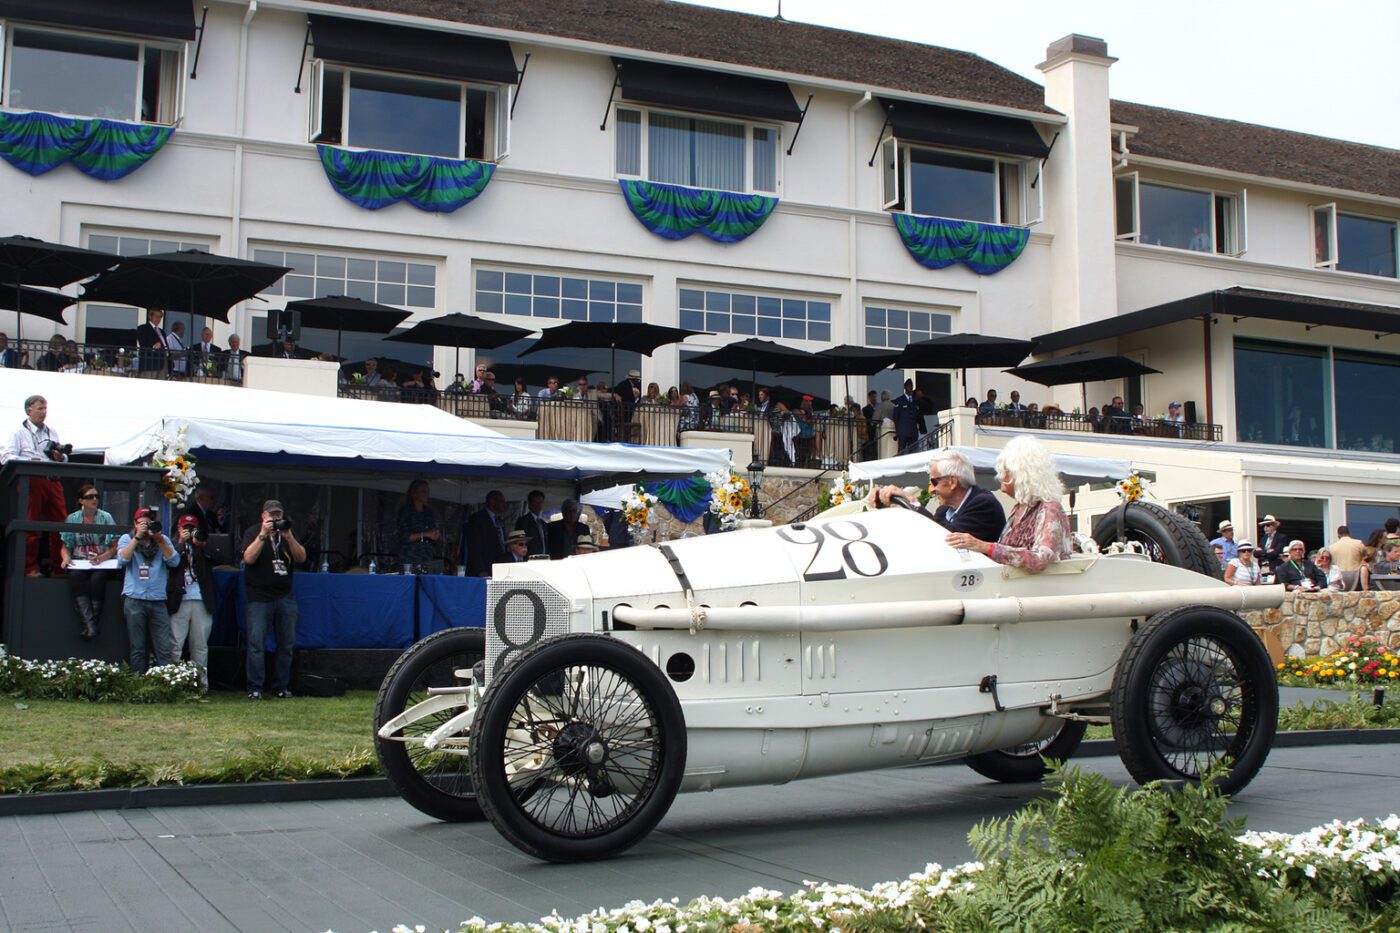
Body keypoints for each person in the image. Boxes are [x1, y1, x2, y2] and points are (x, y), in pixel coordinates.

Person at [942, 436, 1069, 572]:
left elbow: (1040, 559)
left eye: (1005, 471)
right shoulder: (1019, 508)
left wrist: (985, 547)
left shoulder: (1049, 508)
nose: (1000, 476)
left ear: (1021, 474)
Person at [240, 499, 306, 699]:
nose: (275, 518)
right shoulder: (253, 532)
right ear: (263, 516)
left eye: (278, 515)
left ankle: (281, 686)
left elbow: (302, 557)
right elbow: (248, 558)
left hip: (284, 595)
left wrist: (289, 536)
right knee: (256, 644)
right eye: (271, 515)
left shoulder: (286, 533)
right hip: (259, 596)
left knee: (286, 643)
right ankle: (255, 688)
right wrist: (263, 534)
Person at [1, 394, 70, 576]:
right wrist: (29, 460)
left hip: (52, 479)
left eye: (45, 408)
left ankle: (58, 567)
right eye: (40, 408)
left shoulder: (51, 432)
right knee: (29, 523)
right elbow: (6, 456)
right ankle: (29, 567)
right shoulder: (18, 432)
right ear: (29, 410)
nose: (43, 412)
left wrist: (60, 457)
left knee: (61, 525)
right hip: (31, 478)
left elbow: (63, 459)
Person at [117, 506, 179, 673]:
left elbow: (174, 561)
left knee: (163, 648)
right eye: (142, 523)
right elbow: (122, 560)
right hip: (134, 598)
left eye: (148, 523)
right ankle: (138, 686)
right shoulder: (127, 538)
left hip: (157, 599)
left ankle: (164, 684)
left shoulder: (162, 538)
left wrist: (159, 540)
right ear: (135, 523)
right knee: (137, 647)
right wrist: (137, 537)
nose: (146, 527)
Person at [59, 484, 119, 640]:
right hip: (80, 560)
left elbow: (115, 546)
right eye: (90, 497)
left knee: (98, 578)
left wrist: (103, 557)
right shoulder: (73, 519)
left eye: (96, 496)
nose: (94, 499)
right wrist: (66, 557)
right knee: (75, 576)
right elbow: (65, 546)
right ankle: (90, 624)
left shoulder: (106, 517)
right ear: (81, 500)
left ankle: (90, 625)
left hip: (101, 561)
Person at [167, 513, 217, 690]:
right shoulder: (172, 545)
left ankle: (200, 685)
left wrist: (199, 546)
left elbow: (218, 558)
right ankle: (172, 684)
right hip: (179, 599)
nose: (188, 531)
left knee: (200, 645)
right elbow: (171, 562)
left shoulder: (202, 545)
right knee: (175, 644)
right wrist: (181, 543)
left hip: (201, 599)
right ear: (179, 529)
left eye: (191, 528)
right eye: (185, 528)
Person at [925, 449, 1007, 543]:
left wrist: (915, 507)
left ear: (952, 482)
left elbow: (947, 538)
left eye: (934, 483)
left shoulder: (984, 504)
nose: (931, 490)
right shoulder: (943, 510)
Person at [397, 479, 440, 570]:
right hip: (410, 558)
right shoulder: (406, 511)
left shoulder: (429, 513)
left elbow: (433, 535)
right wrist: (425, 534)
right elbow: (404, 537)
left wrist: (435, 535)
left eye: (427, 491)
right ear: (414, 493)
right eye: (423, 491)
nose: (426, 494)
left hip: (426, 558)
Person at [465, 489, 509, 576]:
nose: (504, 504)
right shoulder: (478, 519)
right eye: (501, 501)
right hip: (482, 569)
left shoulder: (499, 520)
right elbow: (474, 546)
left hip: (497, 568)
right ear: (492, 501)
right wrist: (480, 570)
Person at [514, 489, 551, 557]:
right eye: (535, 502)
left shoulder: (543, 523)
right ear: (529, 503)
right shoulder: (523, 520)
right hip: (529, 559)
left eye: (540, 502)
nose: (538, 505)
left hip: (544, 559)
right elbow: (520, 543)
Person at [135, 307, 169, 377]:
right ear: (150, 316)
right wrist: (153, 347)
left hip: (163, 363)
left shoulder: (162, 331)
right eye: (156, 316)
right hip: (150, 364)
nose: (158, 319)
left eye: (160, 317)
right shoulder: (143, 328)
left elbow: (165, 345)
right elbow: (143, 344)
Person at [1329, 525, 1365, 591]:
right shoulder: (1358, 543)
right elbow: (1366, 557)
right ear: (1349, 534)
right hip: (1355, 578)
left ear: (1338, 535)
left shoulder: (1331, 547)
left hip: (1339, 578)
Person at [892, 379, 921, 451]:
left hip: (913, 432)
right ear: (905, 387)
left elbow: (917, 415)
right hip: (903, 432)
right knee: (901, 452)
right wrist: (898, 431)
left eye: (911, 386)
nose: (910, 388)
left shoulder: (915, 401)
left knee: (913, 453)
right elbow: (896, 417)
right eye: (909, 386)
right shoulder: (899, 400)